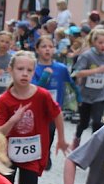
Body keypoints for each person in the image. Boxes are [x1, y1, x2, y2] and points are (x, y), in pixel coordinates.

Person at [0, 51, 69, 184]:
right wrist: (13, 120)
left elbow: (57, 113)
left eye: (29, 70)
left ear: (34, 72)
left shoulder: (42, 95)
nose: (24, 73)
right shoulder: (4, 100)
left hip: (31, 155)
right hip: (7, 155)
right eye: (20, 69)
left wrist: (61, 139)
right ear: (10, 70)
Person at [33, 35, 78, 169]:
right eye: (44, 46)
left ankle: (46, 153)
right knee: (38, 133)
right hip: (37, 108)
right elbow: (35, 89)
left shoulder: (61, 68)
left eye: (50, 46)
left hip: (54, 108)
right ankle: (36, 155)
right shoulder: (33, 68)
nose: (47, 49)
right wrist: (45, 76)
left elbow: (71, 84)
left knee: (51, 132)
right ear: (37, 49)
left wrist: (78, 98)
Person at [71, 28, 104, 149]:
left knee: (97, 122)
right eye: (100, 43)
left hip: (99, 94)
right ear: (93, 42)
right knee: (84, 123)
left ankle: (93, 146)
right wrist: (96, 70)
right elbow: (77, 73)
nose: (103, 45)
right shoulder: (86, 56)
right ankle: (77, 137)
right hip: (85, 95)